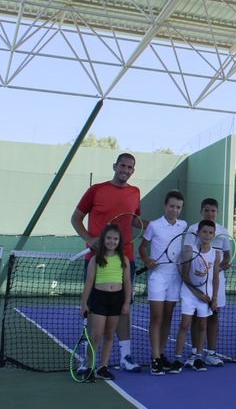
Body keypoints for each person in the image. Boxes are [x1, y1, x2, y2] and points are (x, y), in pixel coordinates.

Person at [71, 152, 142, 372]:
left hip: (126, 259)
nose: (125, 170)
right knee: (93, 310)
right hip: (97, 258)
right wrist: (89, 238)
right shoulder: (96, 190)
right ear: (115, 166)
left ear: (133, 170)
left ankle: (125, 357)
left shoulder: (135, 192)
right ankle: (88, 360)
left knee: (124, 308)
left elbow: (134, 220)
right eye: (122, 165)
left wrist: (162, 226)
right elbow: (75, 218)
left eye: (130, 167)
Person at [138, 189, 187, 375]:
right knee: (157, 317)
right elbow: (142, 247)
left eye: (178, 207)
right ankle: (155, 358)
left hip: (175, 277)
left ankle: (161, 353)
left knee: (168, 317)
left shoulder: (183, 225)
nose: (175, 210)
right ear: (165, 206)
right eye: (172, 206)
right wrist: (147, 260)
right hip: (157, 277)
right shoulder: (154, 225)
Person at [79, 224, 132, 381]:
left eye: (115, 239)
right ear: (103, 239)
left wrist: (126, 302)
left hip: (116, 300)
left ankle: (103, 367)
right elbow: (89, 282)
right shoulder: (95, 259)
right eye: (108, 238)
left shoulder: (124, 260)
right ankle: (90, 368)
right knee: (96, 336)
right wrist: (84, 304)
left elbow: (127, 283)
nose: (111, 241)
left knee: (109, 335)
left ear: (119, 241)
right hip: (99, 299)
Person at [186, 198, 231, 366]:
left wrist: (224, 263)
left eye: (213, 211)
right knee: (196, 317)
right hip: (197, 281)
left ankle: (211, 353)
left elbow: (227, 255)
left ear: (217, 212)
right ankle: (194, 354)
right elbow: (188, 253)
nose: (210, 213)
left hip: (216, 281)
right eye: (206, 210)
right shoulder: (192, 229)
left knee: (214, 315)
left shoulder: (223, 231)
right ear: (201, 212)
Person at [175, 220, 220, 372]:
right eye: (204, 232)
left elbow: (215, 278)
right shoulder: (190, 250)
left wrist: (214, 299)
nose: (207, 235)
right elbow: (185, 276)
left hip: (206, 295)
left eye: (210, 232)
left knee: (202, 326)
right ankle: (177, 359)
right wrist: (197, 293)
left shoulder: (216, 254)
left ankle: (199, 358)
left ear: (213, 235)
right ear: (198, 233)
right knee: (184, 324)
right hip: (189, 293)